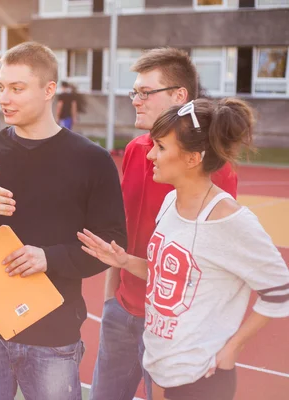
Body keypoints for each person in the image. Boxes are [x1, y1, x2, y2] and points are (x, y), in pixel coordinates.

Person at [0, 41, 127, 400]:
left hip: (54, 338)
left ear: (49, 90)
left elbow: (112, 242)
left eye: (17, 89)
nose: (4, 98)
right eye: (1, 87)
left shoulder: (93, 160)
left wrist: (49, 258)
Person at [79, 97, 289, 400]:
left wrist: (232, 349)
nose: (151, 154)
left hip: (202, 381)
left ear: (193, 158)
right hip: (164, 371)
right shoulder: (170, 203)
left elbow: (280, 290)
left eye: (161, 147)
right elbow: (168, 276)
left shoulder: (229, 220)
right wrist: (124, 261)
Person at [89, 47, 238, 400]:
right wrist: (112, 297)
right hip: (122, 313)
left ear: (179, 96)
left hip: (175, 327)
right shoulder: (136, 150)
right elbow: (122, 230)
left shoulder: (216, 171)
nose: (135, 100)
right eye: (134, 92)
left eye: (145, 92)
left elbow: (213, 263)